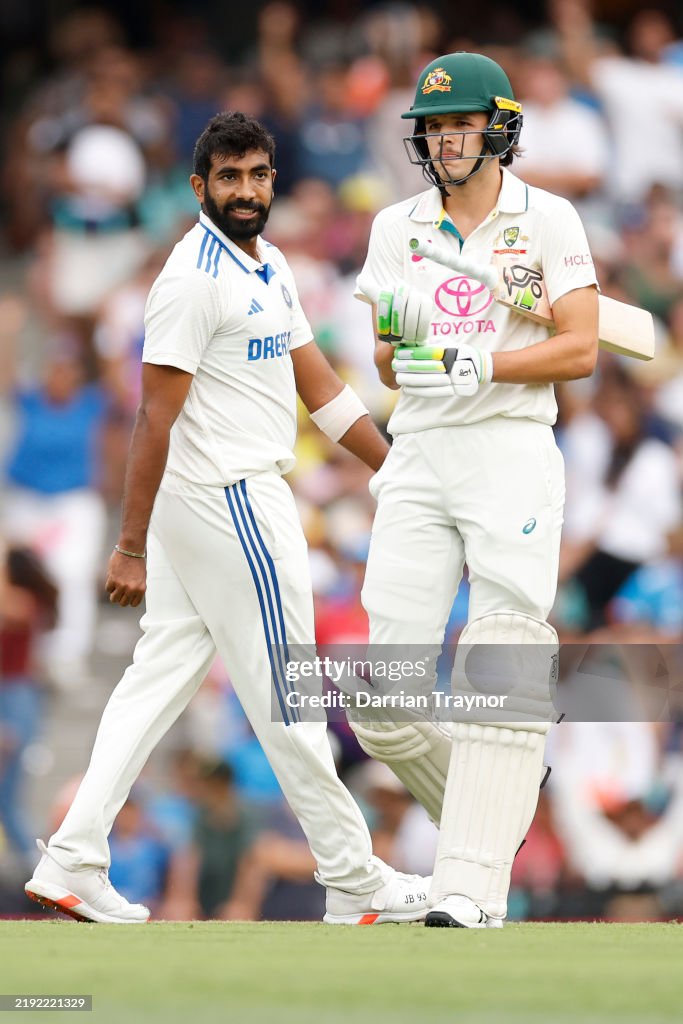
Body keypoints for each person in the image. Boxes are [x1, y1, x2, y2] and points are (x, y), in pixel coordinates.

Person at [24, 112, 430, 925]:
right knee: (291, 698)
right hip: (230, 498)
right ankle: (352, 878)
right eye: (229, 177)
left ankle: (71, 856)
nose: (245, 191)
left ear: (272, 179)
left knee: (157, 678)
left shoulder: (268, 263)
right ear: (198, 186)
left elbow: (316, 382)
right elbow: (152, 418)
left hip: (215, 500)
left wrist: (395, 469)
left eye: (257, 175)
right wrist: (130, 545)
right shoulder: (189, 279)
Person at [350, 52, 599, 927]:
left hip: (508, 446)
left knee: (499, 649)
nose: (445, 139)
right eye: (433, 126)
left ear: (497, 127)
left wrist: (482, 359)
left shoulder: (549, 220)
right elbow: (385, 357)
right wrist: (415, 338)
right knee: (382, 697)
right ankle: (499, 782)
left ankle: (469, 889)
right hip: (418, 447)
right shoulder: (396, 227)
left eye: (460, 124)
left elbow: (579, 348)